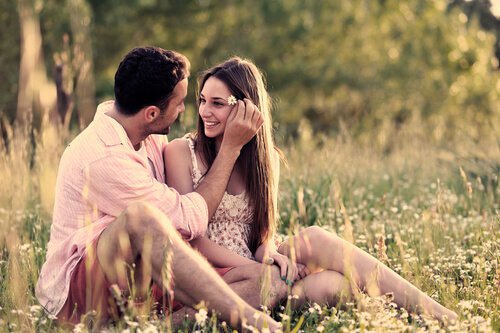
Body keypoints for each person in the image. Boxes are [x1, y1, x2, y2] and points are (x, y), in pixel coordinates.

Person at [164, 57, 458, 323]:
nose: (204, 111)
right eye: (202, 101)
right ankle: (406, 318)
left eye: (217, 103)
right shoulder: (180, 152)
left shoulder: (267, 161)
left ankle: (430, 315)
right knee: (324, 280)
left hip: (258, 267)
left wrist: (269, 255)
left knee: (330, 278)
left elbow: (262, 233)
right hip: (216, 275)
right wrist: (260, 270)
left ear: (247, 108)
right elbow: (191, 240)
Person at [35, 46, 285, 331]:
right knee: (141, 218)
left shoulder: (144, 133)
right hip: (82, 293)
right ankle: (248, 319)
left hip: (143, 277)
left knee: (266, 283)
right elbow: (189, 220)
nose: (186, 110)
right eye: (180, 103)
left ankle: (154, 327)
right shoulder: (104, 156)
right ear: (151, 113)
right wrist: (229, 149)